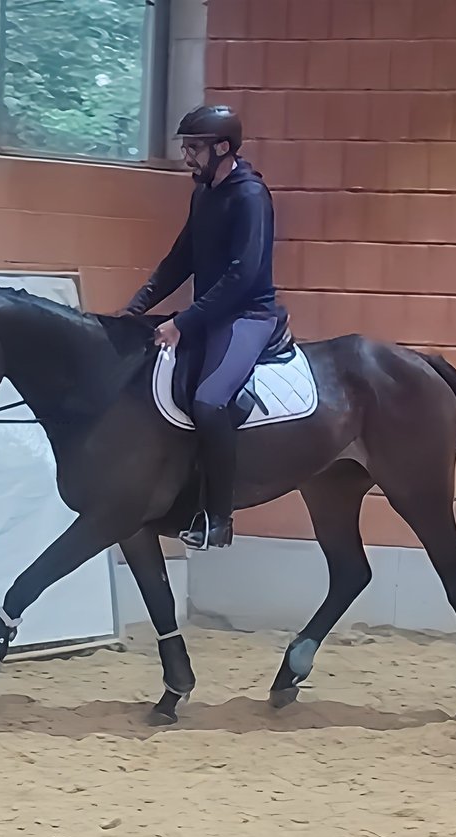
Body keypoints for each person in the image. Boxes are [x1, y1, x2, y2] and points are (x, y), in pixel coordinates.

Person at [121, 104, 287, 550]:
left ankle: (219, 518)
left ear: (222, 148)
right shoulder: (203, 194)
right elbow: (180, 260)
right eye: (185, 147)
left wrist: (183, 322)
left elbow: (243, 275)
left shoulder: (250, 196)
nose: (186, 156)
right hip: (212, 314)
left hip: (249, 316)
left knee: (210, 402)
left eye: (193, 148)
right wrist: (133, 311)